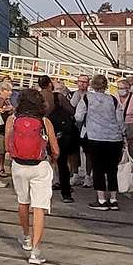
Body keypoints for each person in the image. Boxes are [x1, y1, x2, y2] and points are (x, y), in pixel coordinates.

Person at [8, 88, 59, 265]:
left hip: (19, 165)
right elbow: (56, 149)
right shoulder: (44, 121)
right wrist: (53, 159)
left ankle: (26, 237)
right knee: (39, 207)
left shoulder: (12, 120)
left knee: (23, 202)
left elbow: (9, 145)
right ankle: (36, 253)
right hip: (40, 166)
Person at [76, 74, 126, 210]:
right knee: (112, 169)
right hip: (114, 138)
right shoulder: (113, 99)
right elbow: (120, 120)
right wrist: (123, 133)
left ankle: (102, 200)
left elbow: (78, 117)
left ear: (92, 85)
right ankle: (114, 199)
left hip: (95, 137)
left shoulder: (86, 98)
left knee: (97, 168)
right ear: (106, 85)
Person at [40, 75, 78, 203]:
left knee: (42, 161)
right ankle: (66, 193)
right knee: (62, 163)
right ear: (50, 84)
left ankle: (42, 190)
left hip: (41, 131)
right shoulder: (58, 97)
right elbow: (72, 111)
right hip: (58, 132)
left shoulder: (36, 97)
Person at [72, 74, 91, 187]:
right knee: (74, 151)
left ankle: (88, 176)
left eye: (84, 82)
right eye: (80, 81)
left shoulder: (90, 96)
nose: (82, 84)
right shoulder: (74, 94)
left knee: (88, 152)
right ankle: (75, 174)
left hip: (86, 126)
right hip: (75, 126)